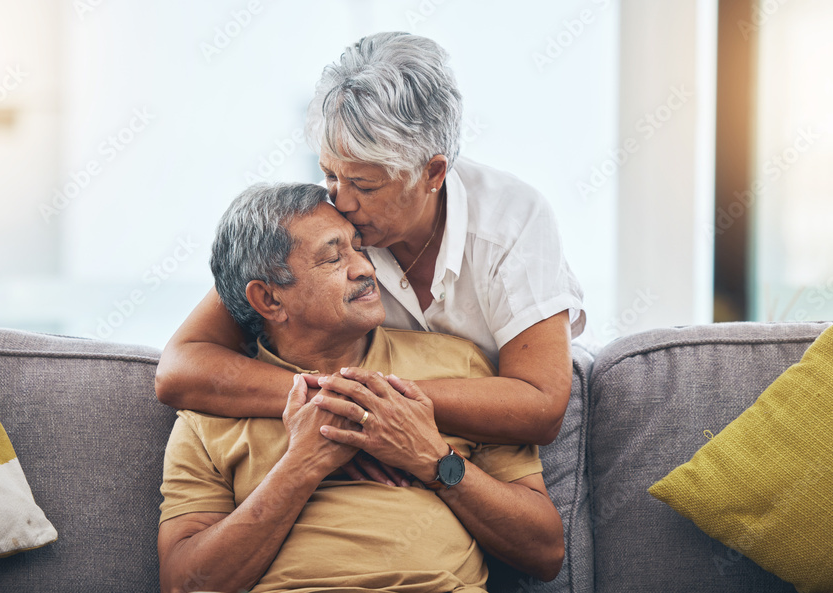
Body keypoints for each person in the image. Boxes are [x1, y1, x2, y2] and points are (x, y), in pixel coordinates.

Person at [156, 32, 585, 457]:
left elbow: (542, 408)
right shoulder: (325, 221)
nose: (339, 201)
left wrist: (378, 403)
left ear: (433, 173)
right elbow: (179, 369)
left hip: (483, 451)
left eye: (363, 184)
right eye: (329, 174)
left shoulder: (513, 220)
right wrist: (334, 398)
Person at [157, 182, 564, 592]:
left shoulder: (459, 366)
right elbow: (184, 585)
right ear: (269, 299)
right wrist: (301, 468)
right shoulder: (209, 411)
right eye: (333, 257)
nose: (366, 268)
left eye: (358, 248)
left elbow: (546, 553)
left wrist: (433, 460)